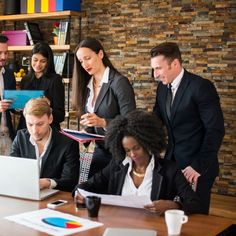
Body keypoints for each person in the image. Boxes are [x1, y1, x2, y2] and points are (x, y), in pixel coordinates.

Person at [74, 110, 203, 215]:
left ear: (147, 143)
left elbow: (196, 204)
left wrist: (173, 205)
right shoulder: (117, 166)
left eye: (136, 148)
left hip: (154, 228)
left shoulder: (169, 170)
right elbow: (85, 186)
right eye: (127, 150)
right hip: (118, 225)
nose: (132, 154)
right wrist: (79, 194)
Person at [151, 42, 225, 214]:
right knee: (168, 215)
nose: (155, 75)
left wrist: (197, 166)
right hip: (172, 165)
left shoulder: (201, 87)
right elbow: (155, 121)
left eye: (158, 68)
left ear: (175, 64)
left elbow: (215, 130)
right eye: (153, 69)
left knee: (196, 221)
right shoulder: (162, 88)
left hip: (197, 168)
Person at [71, 38, 136, 177]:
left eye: (88, 58)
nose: (85, 64)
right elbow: (91, 125)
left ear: (100, 54)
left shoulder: (119, 82)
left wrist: (103, 122)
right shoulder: (86, 86)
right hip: (96, 151)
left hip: (118, 152)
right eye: (81, 61)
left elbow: (131, 122)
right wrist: (83, 133)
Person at [10, 98, 79, 192]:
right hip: (24, 193)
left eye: (40, 124)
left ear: (50, 119)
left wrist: (48, 183)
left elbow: (70, 182)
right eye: (30, 124)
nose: (35, 131)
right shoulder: (20, 137)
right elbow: (11, 171)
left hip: (56, 198)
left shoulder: (68, 143)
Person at [17, 42, 65, 130]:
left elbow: (61, 116)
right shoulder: (25, 79)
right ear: (31, 59)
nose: (38, 64)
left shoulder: (55, 80)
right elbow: (23, 112)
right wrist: (17, 105)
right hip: (26, 129)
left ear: (48, 62)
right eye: (35, 60)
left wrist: (48, 106)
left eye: (43, 61)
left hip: (48, 130)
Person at [0, 35, 16, 154]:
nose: (3, 57)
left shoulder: (9, 74)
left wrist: (24, 103)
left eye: (6, 53)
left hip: (8, 136)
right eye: (0, 53)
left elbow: (13, 107)